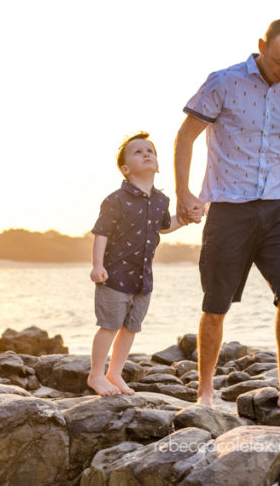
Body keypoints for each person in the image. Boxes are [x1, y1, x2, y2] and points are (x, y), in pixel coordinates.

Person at [174, 18, 280, 423]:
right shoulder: (223, 82)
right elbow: (185, 136)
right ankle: (205, 392)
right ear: (261, 45)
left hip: (277, 207)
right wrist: (185, 192)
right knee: (215, 303)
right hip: (229, 208)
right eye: (278, 61)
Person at [87, 131, 189, 396]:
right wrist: (97, 265)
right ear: (125, 169)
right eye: (138, 152)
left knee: (131, 328)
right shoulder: (116, 200)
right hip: (115, 275)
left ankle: (115, 373)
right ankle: (96, 375)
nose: (146, 154)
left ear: (157, 164)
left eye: (150, 151)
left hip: (143, 279)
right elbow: (101, 232)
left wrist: (186, 218)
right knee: (109, 325)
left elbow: (165, 226)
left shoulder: (160, 200)